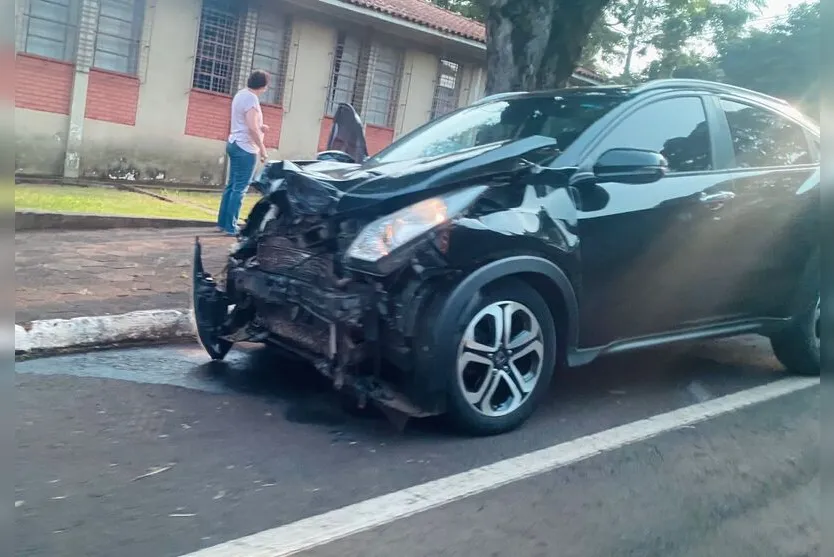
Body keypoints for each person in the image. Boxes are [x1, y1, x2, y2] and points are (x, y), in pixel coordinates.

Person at [217, 70, 270, 235]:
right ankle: (231, 227)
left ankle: (223, 223)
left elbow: (246, 122)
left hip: (234, 142)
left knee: (232, 185)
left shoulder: (241, 94)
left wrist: (261, 127)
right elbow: (251, 127)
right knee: (240, 188)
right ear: (263, 86)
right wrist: (262, 149)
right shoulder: (251, 99)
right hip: (245, 148)